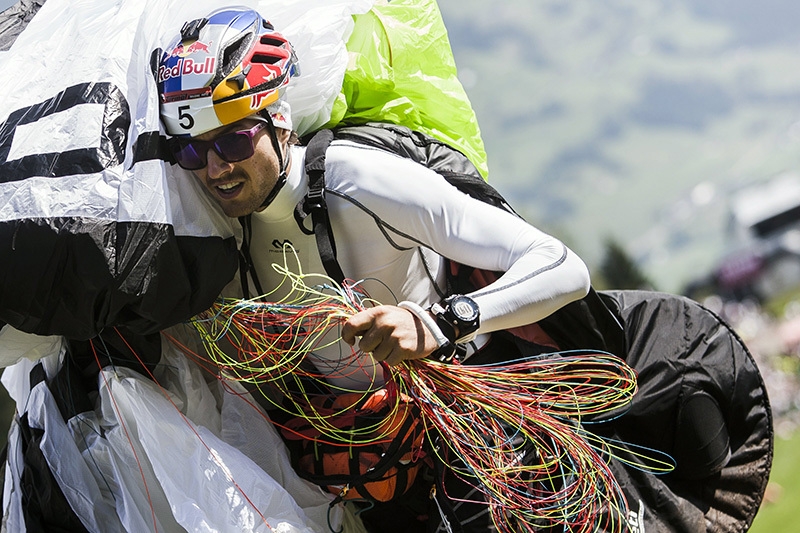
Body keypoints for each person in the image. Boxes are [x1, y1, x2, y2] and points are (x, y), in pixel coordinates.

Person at [157, 6, 591, 532]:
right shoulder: (216, 230)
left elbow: (563, 267)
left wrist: (438, 323)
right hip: (369, 466)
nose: (216, 168)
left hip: (478, 433)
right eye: (193, 151)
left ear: (280, 121)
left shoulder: (357, 180)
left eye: (233, 141)